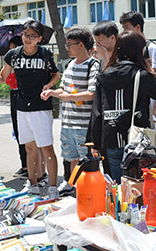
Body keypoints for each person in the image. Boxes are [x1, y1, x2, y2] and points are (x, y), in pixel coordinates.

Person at [0, 20, 60, 198]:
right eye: (25, 34)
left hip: (41, 107)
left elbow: (56, 74)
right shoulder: (13, 55)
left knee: (47, 148)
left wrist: (49, 85)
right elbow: (2, 78)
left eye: (32, 36)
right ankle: (33, 184)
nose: (28, 38)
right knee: (29, 148)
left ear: (39, 38)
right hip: (22, 107)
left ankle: (53, 187)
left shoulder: (45, 54)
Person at [88, 31, 156, 183]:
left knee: (118, 185)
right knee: (137, 185)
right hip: (138, 140)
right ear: (139, 51)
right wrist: (153, 71)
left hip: (111, 137)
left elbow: (97, 111)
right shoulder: (141, 75)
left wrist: (95, 142)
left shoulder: (104, 75)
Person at [41, 28, 100, 195]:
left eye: (69, 45)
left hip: (84, 124)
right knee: (71, 157)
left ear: (81, 45)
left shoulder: (93, 65)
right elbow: (63, 90)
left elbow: (92, 94)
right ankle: (73, 186)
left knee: (86, 159)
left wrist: (68, 97)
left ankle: (87, 190)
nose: (67, 48)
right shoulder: (70, 64)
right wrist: (52, 93)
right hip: (67, 122)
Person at [120, 11, 156, 144]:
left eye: (127, 27)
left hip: (149, 106)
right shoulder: (127, 48)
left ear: (138, 27)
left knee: (150, 141)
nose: (124, 31)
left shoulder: (151, 48)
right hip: (134, 103)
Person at [7, 36, 29, 180]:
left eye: (13, 48)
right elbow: (8, 81)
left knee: (26, 132)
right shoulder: (11, 63)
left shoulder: (26, 62)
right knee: (18, 131)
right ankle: (24, 165)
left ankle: (32, 166)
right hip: (14, 96)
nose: (12, 51)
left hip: (24, 96)